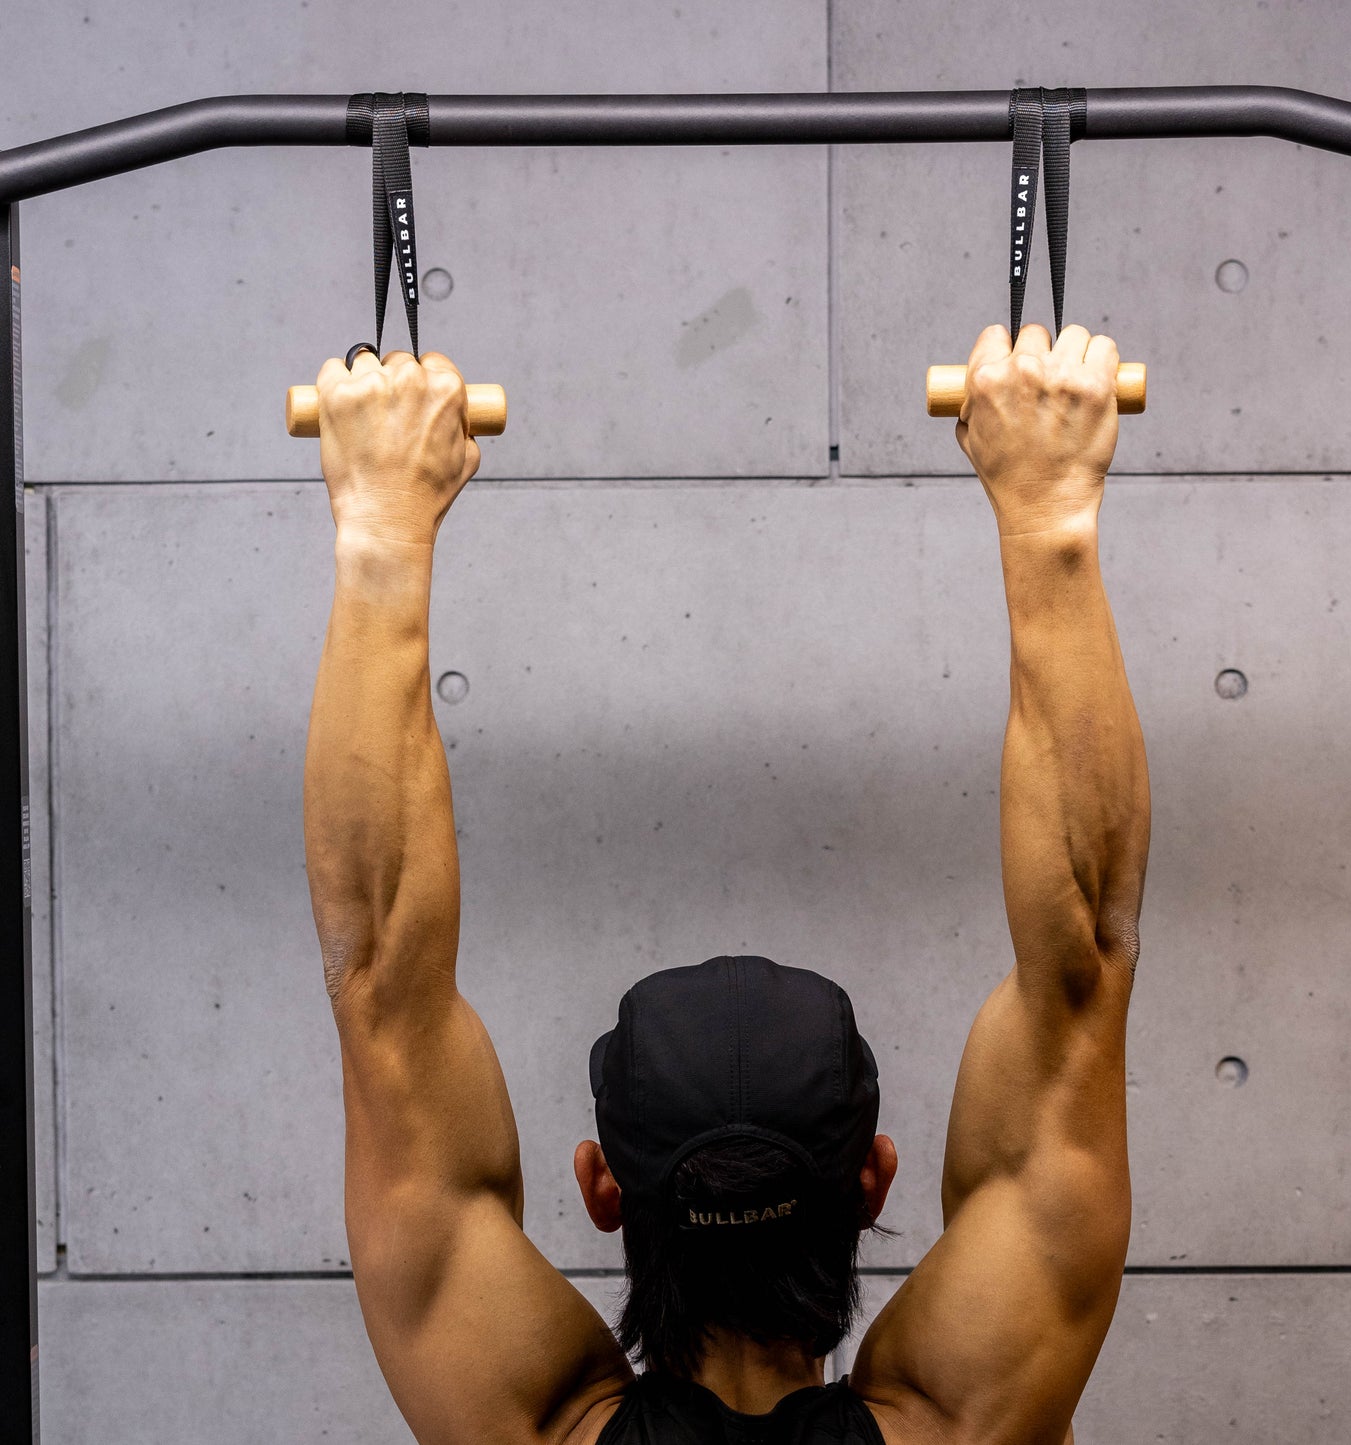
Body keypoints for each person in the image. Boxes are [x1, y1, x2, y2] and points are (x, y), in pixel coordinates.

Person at [303, 321, 1150, 1445]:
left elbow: (375, 976)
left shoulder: (529, 1424)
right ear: (874, 1180)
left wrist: (379, 527)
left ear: (602, 1188)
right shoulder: (964, 1421)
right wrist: (1048, 514)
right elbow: (1085, 950)